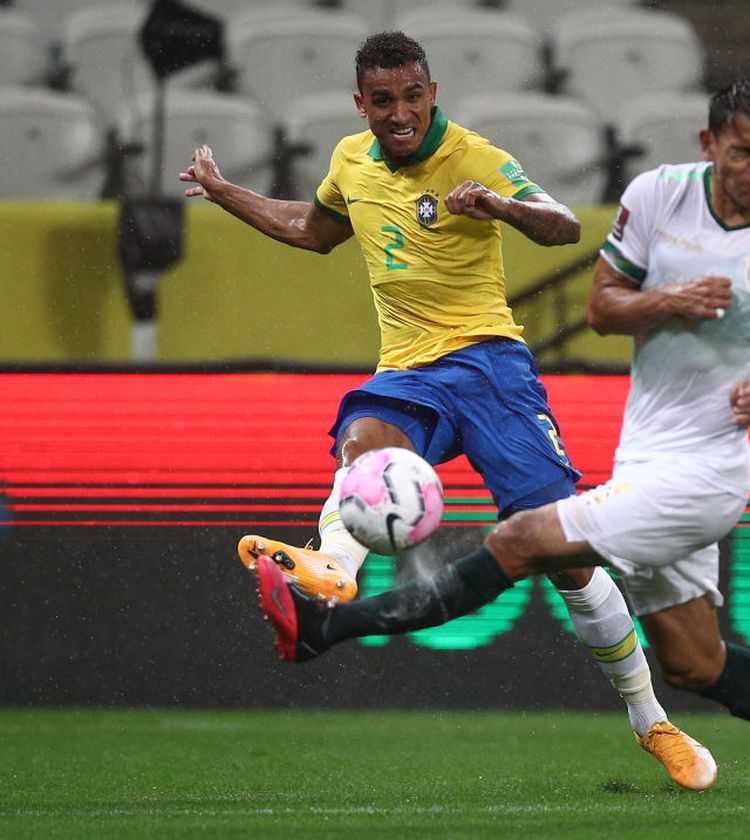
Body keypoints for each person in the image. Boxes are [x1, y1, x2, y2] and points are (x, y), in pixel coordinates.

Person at [248, 78, 750, 819]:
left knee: (522, 541)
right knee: (695, 663)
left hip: (707, 472)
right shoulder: (658, 196)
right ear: (710, 145)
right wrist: (669, 300)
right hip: (646, 456)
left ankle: (325, 627)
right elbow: (602, 309)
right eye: (742, 151)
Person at [180, 31, 716, 791]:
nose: (401, 114)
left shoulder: (473, 156)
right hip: (410, 372)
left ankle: (650, 719)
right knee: (364, 437)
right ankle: (335, 566)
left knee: (568, 558)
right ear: (360, 104)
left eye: (413, 97)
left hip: (492, 368)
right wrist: (226, 191)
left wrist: (499, 205)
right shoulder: (351, 161)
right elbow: (311, 229)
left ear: (432, 94)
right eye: (384, 101)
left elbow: (562, 224)